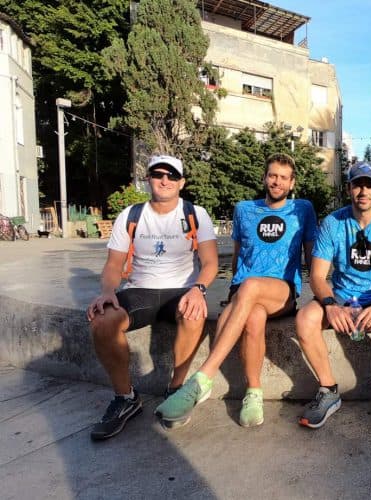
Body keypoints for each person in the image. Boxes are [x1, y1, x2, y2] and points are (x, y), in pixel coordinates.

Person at [155, 153, 317, 428]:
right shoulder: (244, 209)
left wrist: (321, 296)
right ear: (264, 178)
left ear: (292, 183)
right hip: (244, 291)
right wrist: (234, 292)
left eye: (283, 178)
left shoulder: (302, 209)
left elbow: (311, 257)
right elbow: (238, 256)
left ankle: (204, 377)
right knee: (253, 314)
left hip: (281, 291)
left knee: (252, 285)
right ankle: (253, 393)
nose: (277, 182)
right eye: (272, 175)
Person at [86, 154, 218, 441]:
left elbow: (210, 263)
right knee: (102, 321)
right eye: (158, 174)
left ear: (181, 182)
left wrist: (198, 289)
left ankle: (176, 390)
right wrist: (107, 292)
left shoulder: (196, 214)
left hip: (181, 289)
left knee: (195, 312)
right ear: (148, 179)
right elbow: (113, 265)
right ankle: (126, 398)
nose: (164, 180)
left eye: (172, 176)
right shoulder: (131, 215)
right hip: (139, 290)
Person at [295, 161, 371, 431]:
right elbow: (317, 276)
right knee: (305, 318)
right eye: (357, 185)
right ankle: (328, 390)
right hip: (341, 298)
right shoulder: (333, 223)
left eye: (369, 185)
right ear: (348, 189)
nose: (363, 191)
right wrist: (331, 305)